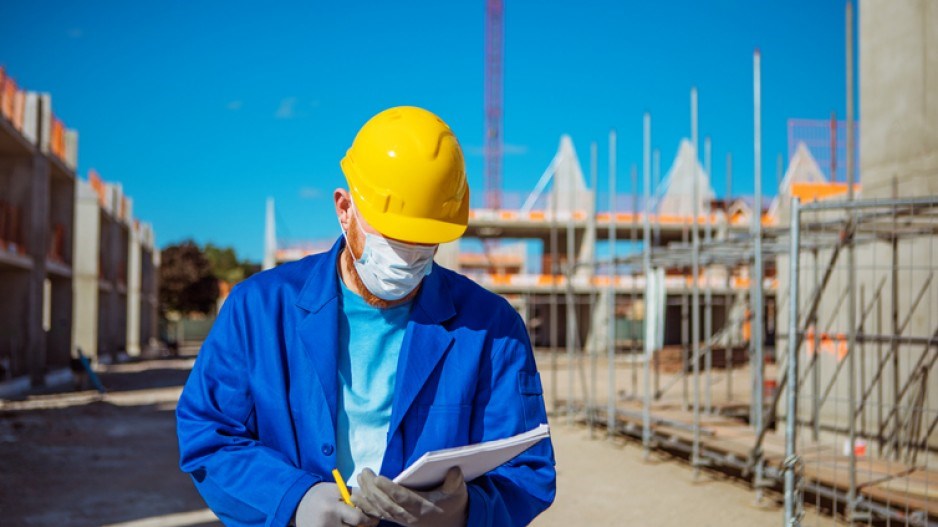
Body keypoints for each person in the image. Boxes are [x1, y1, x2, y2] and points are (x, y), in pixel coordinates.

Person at [176, 106, 556, 527]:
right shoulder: (258, 311)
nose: (407, 258)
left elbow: (527, 468)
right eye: (391, 236)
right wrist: (295, 500)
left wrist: (467, 512)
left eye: (424, 241)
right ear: (344, 209)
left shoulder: (491, 328)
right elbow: (209, 434)